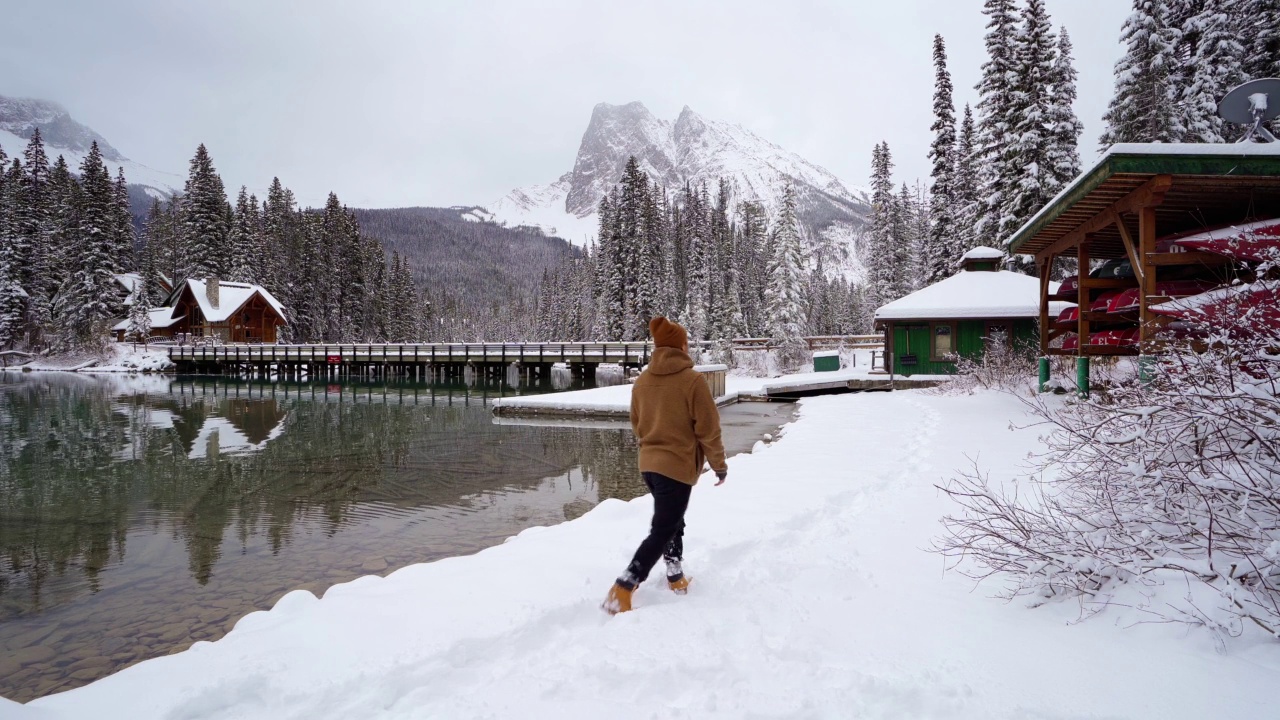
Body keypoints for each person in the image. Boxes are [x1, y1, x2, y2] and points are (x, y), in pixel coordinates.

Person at [603, 316, 728, 614]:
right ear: (681, 346)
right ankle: (625, 583)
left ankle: (674, 574)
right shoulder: (693, 381)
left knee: (672, 518)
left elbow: (636, 424)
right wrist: (719, 465)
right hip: (677, 467)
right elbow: (708, 429)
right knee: (663, 527)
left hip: (649, 465)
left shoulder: (643, 381)